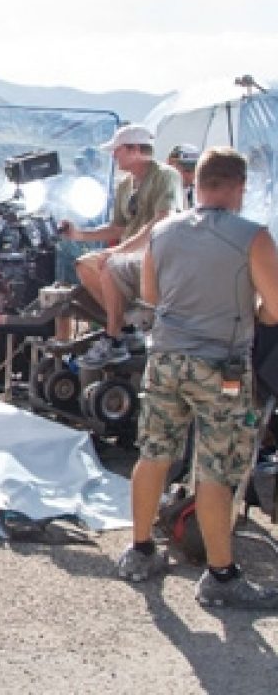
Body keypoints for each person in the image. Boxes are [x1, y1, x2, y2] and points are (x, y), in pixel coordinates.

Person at [118, 146, 278, 609]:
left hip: (166, 359)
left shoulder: (163, 231)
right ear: (239, 187)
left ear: (198, 184)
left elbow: (151, 293)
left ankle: (141, 550)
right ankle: (221, 577)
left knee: (153, 453)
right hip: (220, 367)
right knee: (216, 468)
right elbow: (274, 309)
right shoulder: (253, 237)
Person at [59, 124, 182, 367]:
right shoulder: (125, 185)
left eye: (118, 151)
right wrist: (78, 234)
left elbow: (162, 220)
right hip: (130, 255)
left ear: (135, 149)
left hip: (159, 254)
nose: (114, 157)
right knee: (84, 265)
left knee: (110, 263)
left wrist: (119, 250)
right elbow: (118, 228)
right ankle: (127, 328)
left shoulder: (166, 176)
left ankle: (113, 337)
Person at [167, 143, 200, 208]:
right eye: (185, 169)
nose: (189, 174)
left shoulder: (202, 195)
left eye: (193, 169)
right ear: (170, 164)